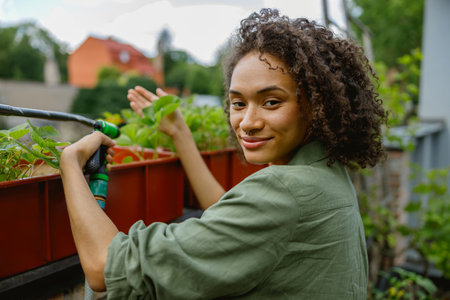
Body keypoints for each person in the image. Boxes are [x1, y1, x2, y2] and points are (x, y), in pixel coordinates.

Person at [60, 8, 387, 299]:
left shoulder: (284, 191)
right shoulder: (325, 172)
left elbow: (105, 267)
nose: (247, 122)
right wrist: (181, 134)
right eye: (238, 103)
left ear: (317, 106)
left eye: (271, 102)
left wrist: (70, 165)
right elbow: (231, 220)